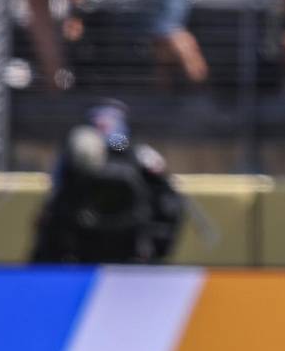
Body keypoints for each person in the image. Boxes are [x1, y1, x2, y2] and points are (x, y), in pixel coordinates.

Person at [32, 100, 184, 264]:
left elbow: (168, 203)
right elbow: (55, 203)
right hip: (83, 245)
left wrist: (153, 247)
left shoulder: (136, 153)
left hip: (130, 245)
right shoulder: (76, 155)